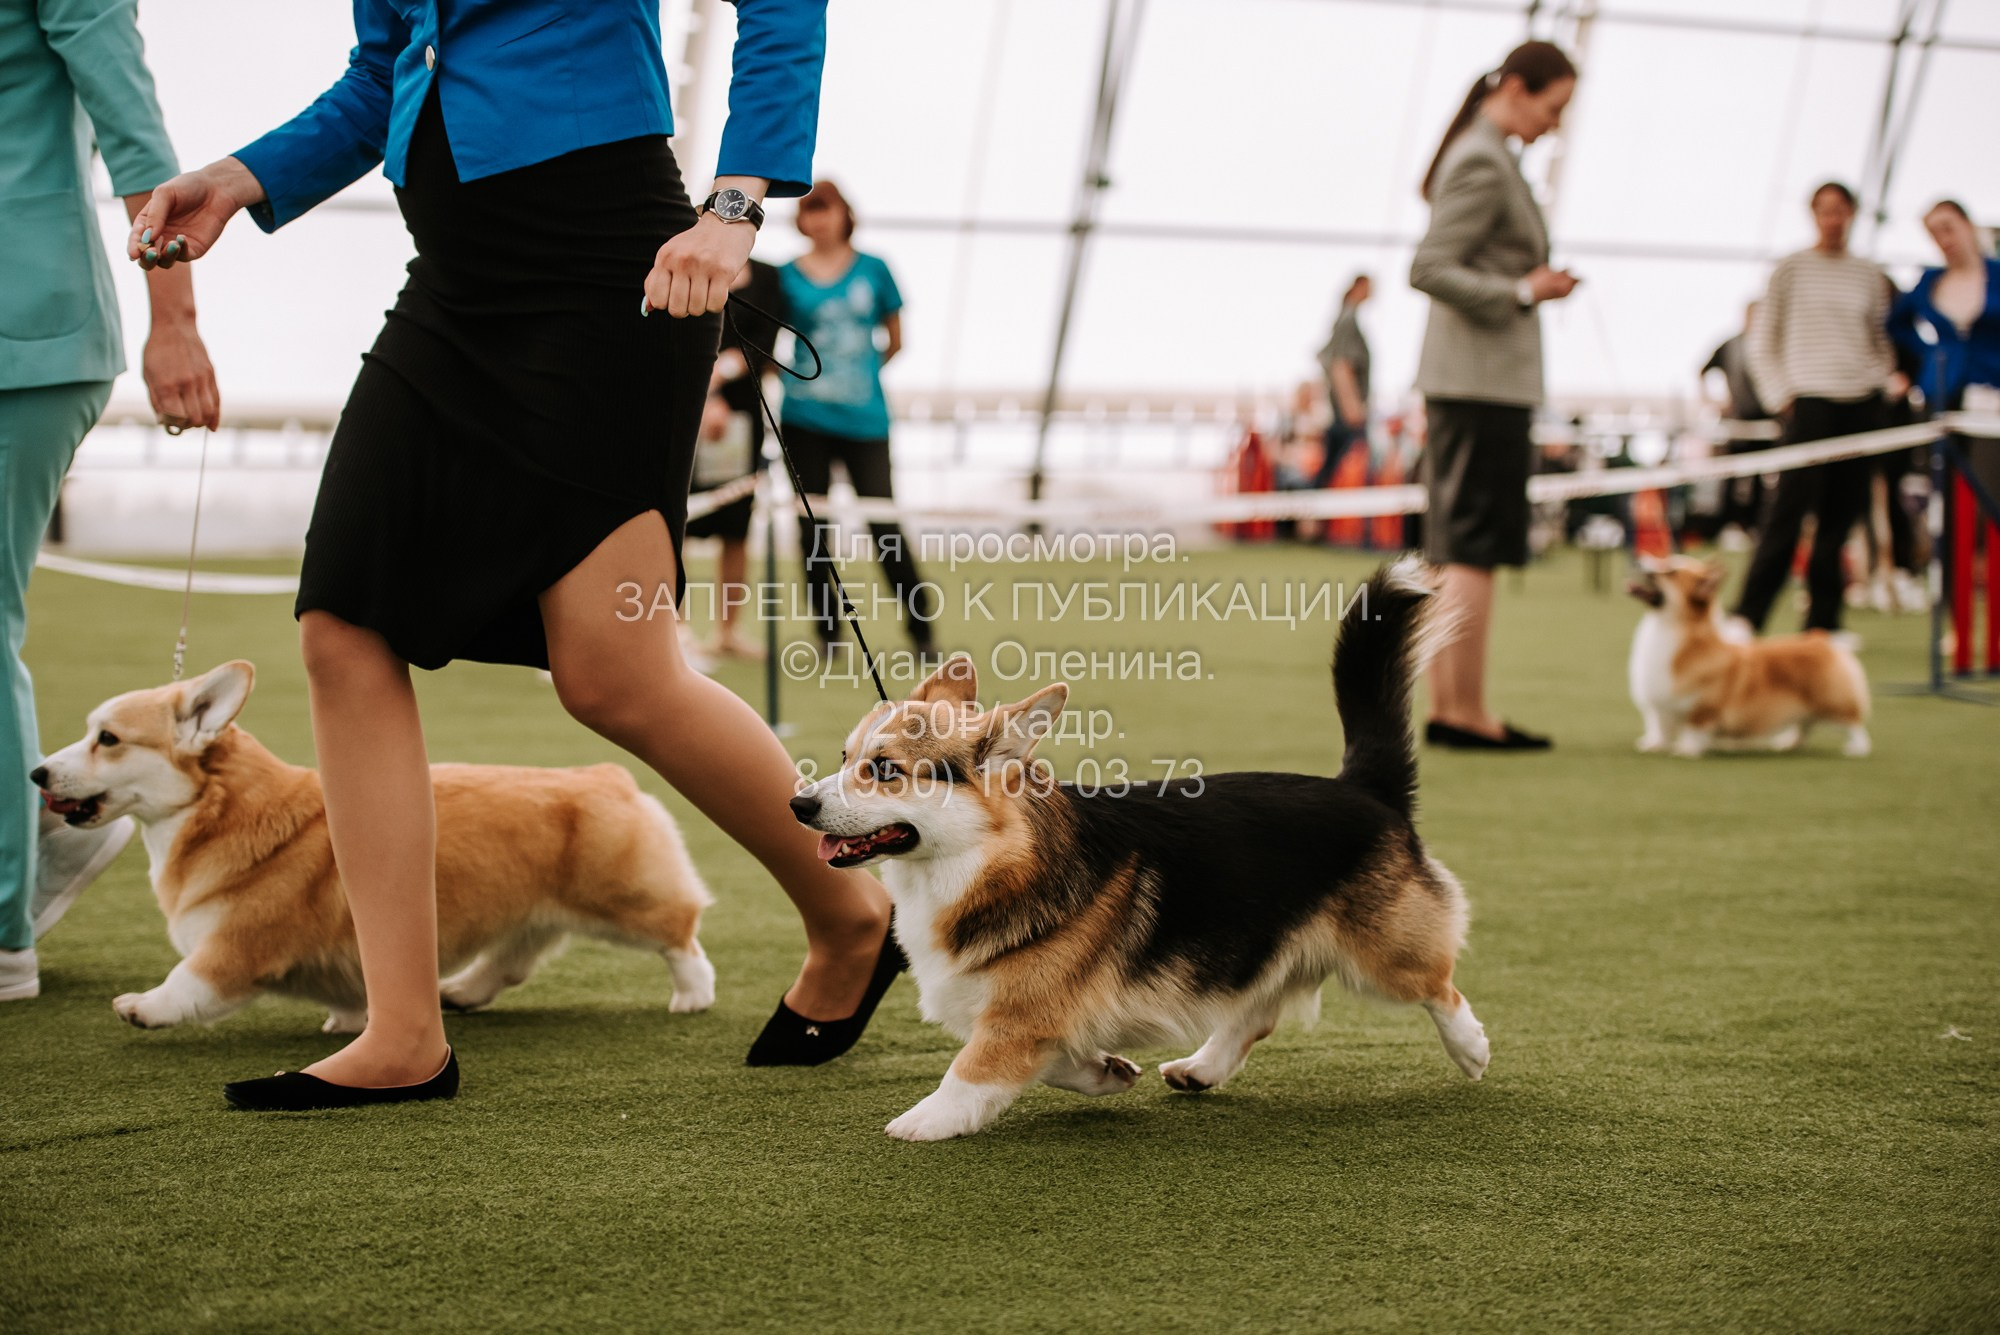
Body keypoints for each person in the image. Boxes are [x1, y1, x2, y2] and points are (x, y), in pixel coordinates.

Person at [127, 0, 900, 1110]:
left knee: (614, 677)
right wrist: (246, 175)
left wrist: (734, 204)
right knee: (343, 626)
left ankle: (847, 914)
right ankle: (402, 1033)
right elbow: (387, 70)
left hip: (610, 277)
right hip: (451, 288)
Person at [2, 0, 220, 1003]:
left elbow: (133, 126)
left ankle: (6, 925)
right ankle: (44, 829)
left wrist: (172, 320)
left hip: (22, 338)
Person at [1409, 40, 1579, 751]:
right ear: (1515, 87)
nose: (1556, 122)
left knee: (1457, 550)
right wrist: (1521, 289)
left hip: (1468, 381)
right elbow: (1430, 267)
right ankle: (1466, 710)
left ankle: (1455, 707)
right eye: (1553, 105)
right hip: (1482, 382)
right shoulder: (1483, 159)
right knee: (1474, 549)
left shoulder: (1484, 154)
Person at [1732, 182, 1904, 634]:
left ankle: (1823, 625)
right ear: (1813, 214)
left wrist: (1880, 382)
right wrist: (1780, 396)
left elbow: (1880, 339)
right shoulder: (1791, 268)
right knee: (1785, 515)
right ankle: (1748, 617)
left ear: (1852, 214)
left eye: (1840, 211)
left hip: (1860, 404)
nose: (1833, 220)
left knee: (1839, 520)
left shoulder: (1868, 273)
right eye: (1824, 211)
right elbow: (1762, 340)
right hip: (1807, 402)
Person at [778, 180, 936, 657]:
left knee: (884, 526)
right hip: (803, 418)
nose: (819, 220)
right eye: (810, 211)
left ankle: (921, 631)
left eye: (827, 210)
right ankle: (828, 636)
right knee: (813, 531)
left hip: (867, 421)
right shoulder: (785, 276)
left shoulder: (875, 269)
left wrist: (858, 379)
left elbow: (896, 337)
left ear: (846, 214)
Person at [687, 257, 785, 660]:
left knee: (736, 527)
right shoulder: (685, 262)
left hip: (745, 416)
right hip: (687, 410)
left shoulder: (767, 277)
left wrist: (722, 378)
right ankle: (674, 629)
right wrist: (706, 396)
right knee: (677, 524)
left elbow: (765, 341)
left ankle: (727, 632)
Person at [1700, 303, 1775, 545]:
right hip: (1738, 424)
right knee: (1731, 476)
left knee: (1762, 480)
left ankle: (1753, 527)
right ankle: (1729, 526)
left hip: (1767, 424)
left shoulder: (1771, 344)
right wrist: (1712, 401)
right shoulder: (1731, 345)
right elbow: (1703, 370)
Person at [1313, 274, 1373, 489]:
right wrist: (1353, 409)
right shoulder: (1348, 318)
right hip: (1348, 411)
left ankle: (1308, 517)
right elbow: (1341, 366)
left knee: (1331, 470)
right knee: (1344, 469)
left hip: (1343, 410)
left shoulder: (1345, 317)